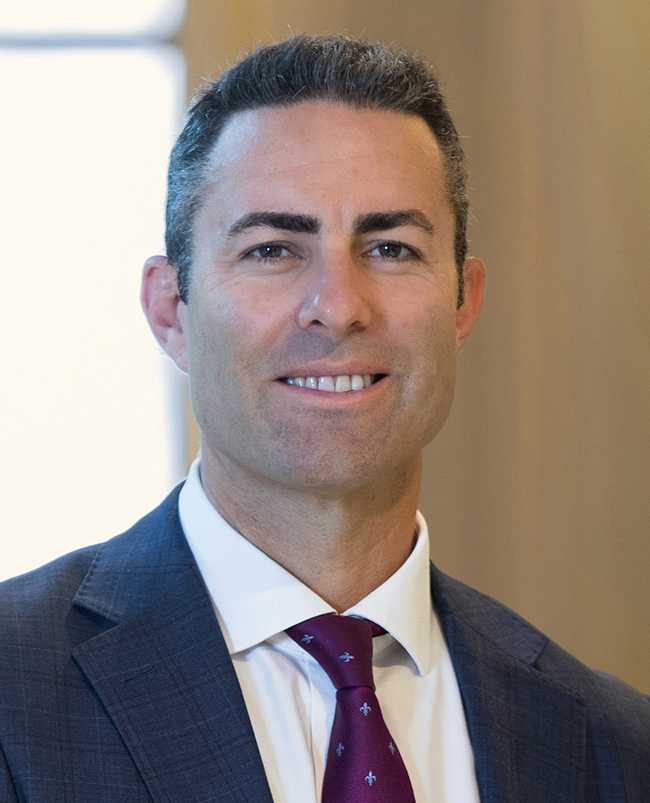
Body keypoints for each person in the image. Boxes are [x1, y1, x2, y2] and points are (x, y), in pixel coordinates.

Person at [0, 35, 648, 803]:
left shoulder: (614, 745)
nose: (339, 306)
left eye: (391, 247)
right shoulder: (16, 689)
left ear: (463, 301)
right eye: (273, 248)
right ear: (171, 309)